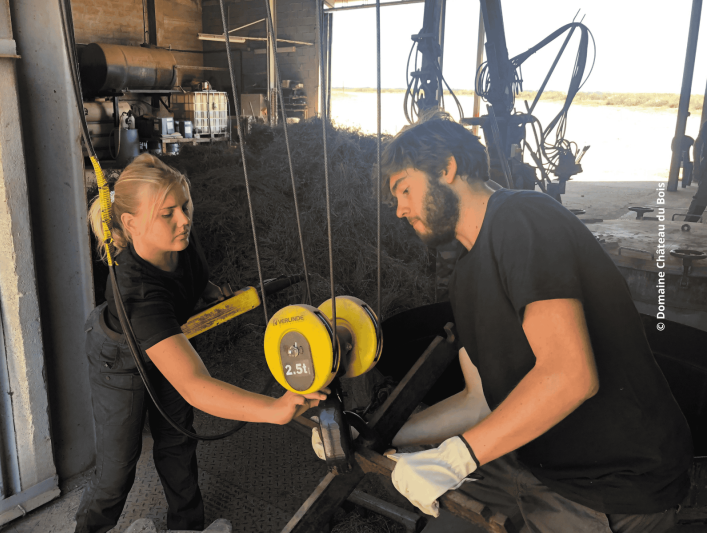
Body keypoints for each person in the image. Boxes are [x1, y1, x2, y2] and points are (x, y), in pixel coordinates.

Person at [378, 114, 692, 532]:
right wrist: (382, 434)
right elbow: (479, 400)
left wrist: (459, 456)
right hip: (535, 461)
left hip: (613, 480)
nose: (400, 210)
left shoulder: (522, 217)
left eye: (404, 190)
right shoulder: (467, 273)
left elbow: (571, 375)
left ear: (446, 169)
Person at [76, 154, 327, 533]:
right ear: (130, 223)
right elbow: (196, 387)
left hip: (169, 338)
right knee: (118, 469)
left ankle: (187, 528)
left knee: (177, 442)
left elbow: (187, 277)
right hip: (121, 359)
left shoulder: (180, 240)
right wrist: (274, 409)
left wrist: (206, 290)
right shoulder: (136, 292)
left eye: (185, 205)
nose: (184, 219)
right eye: (168, 213)